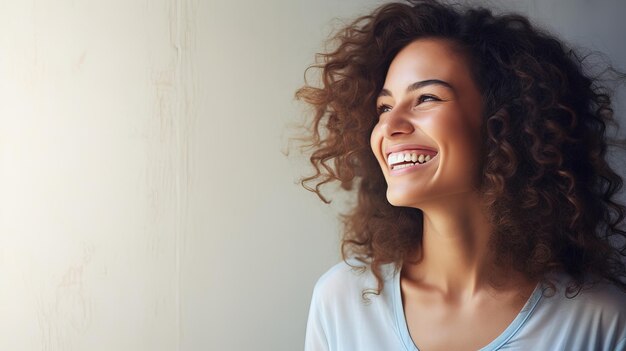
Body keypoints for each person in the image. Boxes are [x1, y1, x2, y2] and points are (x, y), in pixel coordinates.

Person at [296, 1, 626, 350]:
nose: (388, 127)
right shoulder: (341, 301)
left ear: (504, 121)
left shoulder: (601, 322)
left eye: (426, 98)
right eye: (384, 107)